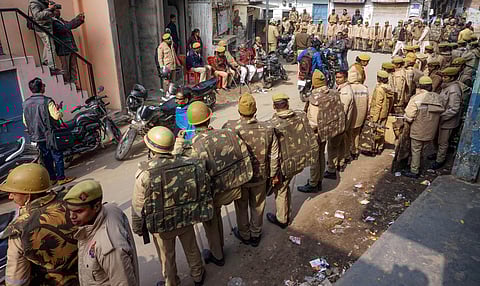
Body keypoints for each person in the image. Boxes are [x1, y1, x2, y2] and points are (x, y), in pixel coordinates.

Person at [174, 101, 253, 266]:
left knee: (211, 221)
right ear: (209, 119)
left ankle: (218, 255)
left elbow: (180, 168)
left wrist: (178, 146)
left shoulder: (193, 146)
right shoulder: (228, 133)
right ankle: (246, 235)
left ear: (192, 124)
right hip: (235, 184)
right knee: (242, 206)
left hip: (214, 193)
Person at [132, 127, 208, 286]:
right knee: (192, 248)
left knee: (166, 256)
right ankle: (198, 275)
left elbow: (138, 206)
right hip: (185, 217)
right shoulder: (187, 163)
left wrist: (138, 228)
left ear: (151, 148)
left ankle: (171, 282)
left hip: (162, 224)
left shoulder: (145, 172)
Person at [0, 163, 79, 285]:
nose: (10, 197)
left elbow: (16, 281)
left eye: (14, 193)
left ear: (28, 195)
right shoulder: (72, 200)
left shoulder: (20, 229)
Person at [222, 93, 279, 247]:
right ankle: (256, 234)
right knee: (258, 205)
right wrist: (273, 174)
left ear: (239, 111)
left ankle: (244, 234)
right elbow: (274, 155)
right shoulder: (268, 128)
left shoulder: (230, 128)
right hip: (260, 176)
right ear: (255, 110)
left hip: (240, 177)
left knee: (241, 207)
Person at [64, 180, 139, 286]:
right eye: (70, 211)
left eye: (79, 211)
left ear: (96, 207)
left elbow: (123, 282)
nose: (72, 216)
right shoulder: (110, 209)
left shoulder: (108, 247)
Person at [268, 93, 318, 224]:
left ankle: (282, 219)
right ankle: (286, 212)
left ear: (274, 106)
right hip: (300, 160)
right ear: (288, 104)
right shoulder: (301, 115)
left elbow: (274, 152)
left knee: (281, 190)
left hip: (285, 165)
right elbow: (310, 135)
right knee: (285, 186)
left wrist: (273, 172)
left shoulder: (272, 124)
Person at [22, 77, 75, 185]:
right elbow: (56, 116)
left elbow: (25, 120)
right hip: (49, 134)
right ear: (41, 87)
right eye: (43, 85)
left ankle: (52, 178)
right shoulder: (47, 101)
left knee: (46, 157)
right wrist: (60, 111)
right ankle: (61, 178)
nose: (44, 87)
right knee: (57, 155)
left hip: (36, 135)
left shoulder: (26, 103)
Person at [402, 76, 445, 178]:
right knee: (423, 149)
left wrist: (406, 118)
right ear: (430, 86)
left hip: (418, 130)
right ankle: (416, 164)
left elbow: (409, 116)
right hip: (431, 131)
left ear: (420, 86)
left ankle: (414, 171)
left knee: (416, 150)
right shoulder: (438, 98)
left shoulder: (416, 99)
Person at [431, 67, 462, 169]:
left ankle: (440, 160)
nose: (443, 78)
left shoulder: (454, 90)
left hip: (447, 121)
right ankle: (438, 154)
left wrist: (441, 117)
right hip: (441, 118)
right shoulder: (446, 87)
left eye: (446, 77)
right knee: (436, 139)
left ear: (452, 77)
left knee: (443, 141)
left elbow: (454, 109)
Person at [52, 8, 84, 87]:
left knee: (73, 67)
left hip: (71, 47)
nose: (58, 11)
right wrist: (76, 19)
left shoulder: (61, 21)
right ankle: (68, 84)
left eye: (58, 10)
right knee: (66, 68)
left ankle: (74, 83)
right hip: (63, 49)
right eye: (55, 10)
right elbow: (65, 27)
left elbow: (70, 25)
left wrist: (79, 20)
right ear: (52, 12)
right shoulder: (53, 22)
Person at [364, 70, 394, 155]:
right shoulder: (388, 88)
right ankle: (380, 147)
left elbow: (377, 104)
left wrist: (374, 117)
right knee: (381, 130)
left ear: (378, 78)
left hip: (378, 113)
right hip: (385, 112)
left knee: (374, 131)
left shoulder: (379, 89)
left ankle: (373, 149)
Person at [29, 0, 62, 74]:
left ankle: (45, 61)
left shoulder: (44, 2)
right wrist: (49, 9)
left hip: (47, 28)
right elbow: (37, 16)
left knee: (47, 45)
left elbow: (47, 14)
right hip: (42, 29)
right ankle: (52, 68)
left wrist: (53, 9)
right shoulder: (34, 3)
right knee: (51, 47)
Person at [347, 64, 369, 160]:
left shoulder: (348, 88)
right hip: (361, 116)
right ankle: (355, 151)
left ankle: (347, 153)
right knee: (356, 134)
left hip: (351, 116)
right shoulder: (364, 88)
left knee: (348, 136)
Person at [336, 71, 355, 168]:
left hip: (343, 121)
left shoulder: (345, 92)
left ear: (345, 78)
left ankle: (340, 162)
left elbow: (343, 111)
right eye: (336, 77)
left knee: (340, 143)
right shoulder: (342, 88)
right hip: (343, 122)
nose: (337, 79)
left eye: (340, 77)